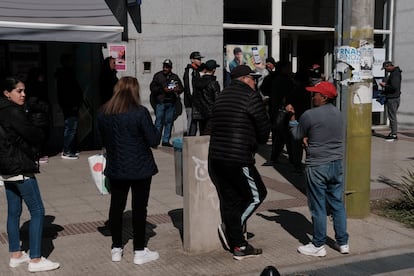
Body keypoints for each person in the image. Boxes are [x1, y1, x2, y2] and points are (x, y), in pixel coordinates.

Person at [208, 65, 270, 260]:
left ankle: (238, 244)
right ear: (244, 79)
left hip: (216, 157)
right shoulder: (252, 97)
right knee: (257, 195)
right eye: (253, 79)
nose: (255, 82)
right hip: (238, 157)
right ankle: (234, 236)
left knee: (231, 199)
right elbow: (263, 131)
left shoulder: (222, 96)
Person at [97, 76, 161, 265]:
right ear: (135, 91)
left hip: (116, 167)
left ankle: (116, 248)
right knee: (139, 209)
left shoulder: (103, 112)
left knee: (116, 207)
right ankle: (139, 251)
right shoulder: (140, 112)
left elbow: (101, 141)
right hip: (140, 167)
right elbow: (153, 140)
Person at [0, 77, 60, 272]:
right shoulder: (12, 111)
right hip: (20, 167)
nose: (23, 94)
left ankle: (16, 254)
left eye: (24, 90)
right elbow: (34, 135)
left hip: (7, 168)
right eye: (19, 91)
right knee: (38, 211)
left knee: (14, 211)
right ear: (7, 93)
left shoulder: (3, 111)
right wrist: (39, 124)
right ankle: (35, 259)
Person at [286, 81, 349, 257]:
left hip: (317, 165)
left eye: (316, 94)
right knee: (337, 204)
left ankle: (318, 245)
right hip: (336, 163)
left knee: (318, 206)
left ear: (324, 97)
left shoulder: (309, 115)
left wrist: (292, 118)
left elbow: (297, 135)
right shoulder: (339, 114)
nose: (313, 96)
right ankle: (343, 242)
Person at [262, 61, 295, 166]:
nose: (290, 69)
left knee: (279, 134)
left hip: (274, 109)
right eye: (288, 67)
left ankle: (275, 157)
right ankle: (292, 159)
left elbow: (263, 89)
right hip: (284, 110)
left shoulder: (271, 77)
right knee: (287, 135)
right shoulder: (285, 80)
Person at [150, 59, 184, 147]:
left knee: (169, 122)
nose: (165, 68)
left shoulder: (175, 77)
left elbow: (181, 88)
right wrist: (163, 89)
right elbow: (152, 88)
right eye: (164, 66)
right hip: (160, 103)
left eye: (167, 67)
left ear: (171, 68)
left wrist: (177, 89)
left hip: (171, 103)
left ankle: (165, 141)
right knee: (158, 122)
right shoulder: (158, 76)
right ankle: (155, 141)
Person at [55, 53, 83, 159]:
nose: (73, 62)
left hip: (70, 105)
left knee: (71, 127)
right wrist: (74, 104)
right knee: (71, 127)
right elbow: (69, 92)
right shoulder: (66, 74)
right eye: (71, 60)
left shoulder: (65, 74)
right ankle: (67, 150)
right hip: (70, 105)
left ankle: (69, 149)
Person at [25, 67, 51, 164]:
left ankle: (38, 155)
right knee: (39, 137)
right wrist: (45, 108)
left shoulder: (36, 85)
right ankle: (37, 156)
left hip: (39, 116)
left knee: (42, 136)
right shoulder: (34, 86)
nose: (42, 77)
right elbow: (32, 102)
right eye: (40, 75)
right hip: (37, 117)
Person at [192, 59, 221, 135]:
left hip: (201, 113)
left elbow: (196, 97)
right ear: (214, 70)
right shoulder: (213, 83)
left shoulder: (198, 81)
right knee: (210, 136)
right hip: (211, 114)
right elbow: (218, 100)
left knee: (203, 135)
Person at [380, 60, 402, 141]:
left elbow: (394, 87)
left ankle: (394, 134)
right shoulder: (395, 73)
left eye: (386, 68)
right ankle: (393, 132)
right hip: (394, 97)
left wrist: (385, 85)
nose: (385, 70)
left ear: (389, 66)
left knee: (392, 116)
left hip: (393, 98)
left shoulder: (395, 74)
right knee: (392, 115)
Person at [183, 51, 204, 136]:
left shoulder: (197, 71)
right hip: (191, 103)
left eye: (200, 59)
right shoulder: (190, 71)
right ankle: (189, 144)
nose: (200, 61)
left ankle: (193, 144)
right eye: (198, 59)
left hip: (196, 103)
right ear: (192, 60)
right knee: (191, 124)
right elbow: (189, 88)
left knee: (195, 124)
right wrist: (193, 100)